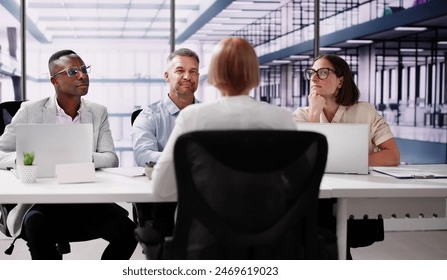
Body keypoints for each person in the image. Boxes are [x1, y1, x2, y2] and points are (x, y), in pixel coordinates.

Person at [0, 49, 137, 260]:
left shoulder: (98, 111)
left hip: (86, 198)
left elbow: (110, 157)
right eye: (72, 71)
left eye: (84, 69)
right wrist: (27, 158)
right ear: (55, 81)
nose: (83, 75)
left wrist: (81, 156)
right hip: (42, 200)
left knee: (129, 233)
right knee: (36, 227)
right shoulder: (30, 111)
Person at [152, 37, 296, 200]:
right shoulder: (282, 118)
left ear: (214, 73)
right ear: (254, 72)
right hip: (270, 222)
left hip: (206, 223)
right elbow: (298, 182)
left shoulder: (193, 117)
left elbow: (160, 189)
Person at [292, 53, 401, 259]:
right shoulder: (302, 115)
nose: (314, 79)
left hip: (353, 198)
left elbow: (392, 156)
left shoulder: (365, 111)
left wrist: (349, 161)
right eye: (312, 73)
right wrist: (315, 115)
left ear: (341, 80)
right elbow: (302, 160)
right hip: (317, 198)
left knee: (330, 241)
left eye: (323, 72)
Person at [131, 48, 200, 235]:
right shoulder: (148, 116)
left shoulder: (208, 115)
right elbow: (143, 155)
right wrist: (187, 160)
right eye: (180, 70)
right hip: (166, 193)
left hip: (203, 189)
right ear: (167, 75)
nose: (187, 76)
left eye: (193, 71)